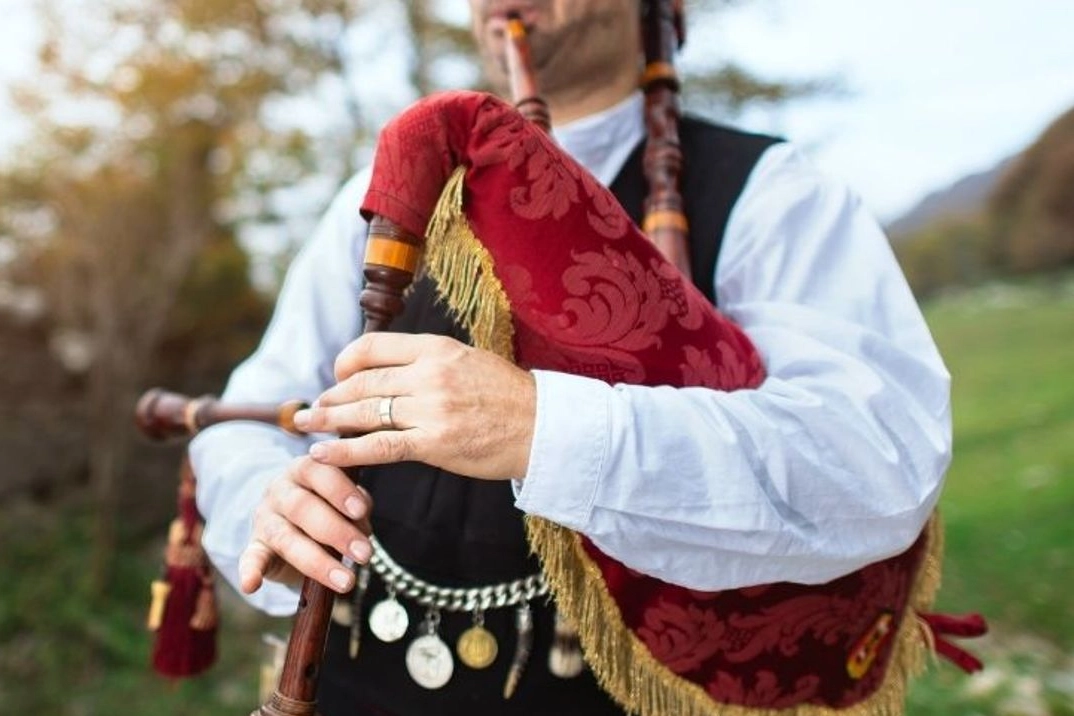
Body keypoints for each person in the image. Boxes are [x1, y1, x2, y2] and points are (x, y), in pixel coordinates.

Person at [190, 1, 951, 715]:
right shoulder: (388, 183)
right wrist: (266, 502)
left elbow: (875, 461)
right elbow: (250, 412)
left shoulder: (770, 193)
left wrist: (538, 428)